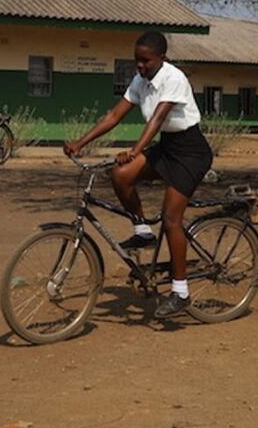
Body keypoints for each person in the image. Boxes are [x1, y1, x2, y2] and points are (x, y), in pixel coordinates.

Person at [64, 31, 213, 318]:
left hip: (191, 153)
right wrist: (81, 142)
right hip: (168, 147)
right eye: (137, 60)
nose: (140, 66)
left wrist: (135, 150)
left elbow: (157, 119)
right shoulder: (140, 81)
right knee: (120, 174)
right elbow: (114, 115)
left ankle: (180, 291)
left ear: (161, 58)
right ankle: (142, 231)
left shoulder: (174, 78)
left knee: (171, 219)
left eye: (146, 60)